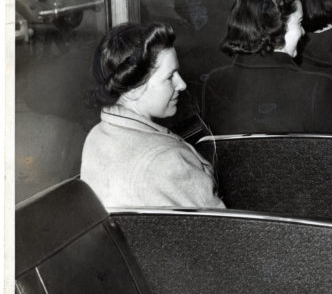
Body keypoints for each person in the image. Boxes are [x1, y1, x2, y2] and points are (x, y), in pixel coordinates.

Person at [80, 22, 225, 209]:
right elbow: (221, 233)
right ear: (132, 90)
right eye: (170, 76)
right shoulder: (168, 160)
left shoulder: (96, 135)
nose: (182, 85)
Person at [202, 0, 332, 135]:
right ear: (278, 27)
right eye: (299, 23)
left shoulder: (215, 82)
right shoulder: (319, 87)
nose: (303, 31)